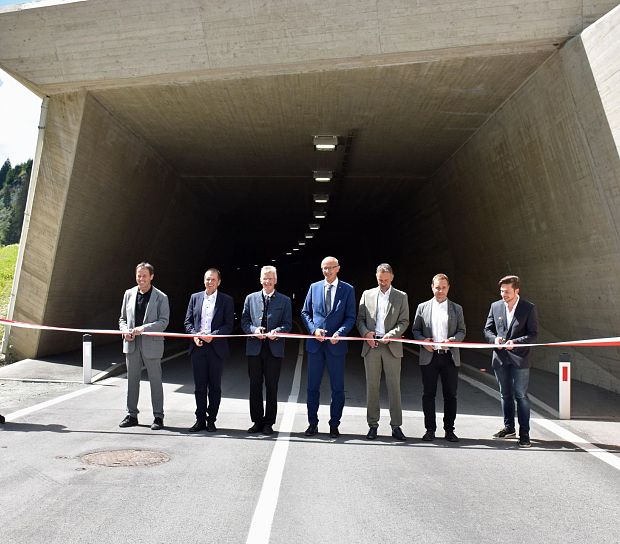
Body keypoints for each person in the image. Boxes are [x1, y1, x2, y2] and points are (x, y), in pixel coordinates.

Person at [301, 256, 356, 438]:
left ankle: (334, 424)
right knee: (312, 388)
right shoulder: (314, 287)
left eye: (331, 268)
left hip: (336, 346)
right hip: (315, 346)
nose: (327, 271)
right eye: (324, 268)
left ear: (338, 268)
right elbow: (305, 312)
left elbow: (350, 317)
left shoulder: (347, 290)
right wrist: (313, 330)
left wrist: (340, 332)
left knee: (337, 388)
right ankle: (312, 423)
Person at [484, 275, 538, 448]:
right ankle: (509, 428)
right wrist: (495, 340)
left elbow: (533, 334)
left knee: (520, 395)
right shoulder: (495, 306)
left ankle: (525, 434)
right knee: (504, 394)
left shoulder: (528, 308)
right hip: (500, 358)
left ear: (517, 290)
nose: (503, 295)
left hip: (520, 358)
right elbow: (487, 329)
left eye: (507, 292)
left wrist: (515, 343)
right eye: (501, 291)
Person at [357, 263, 409, 441]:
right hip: (372, 346)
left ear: (392, 278)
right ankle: (372, 425)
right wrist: (366, 333)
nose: (383, 283)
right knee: (372, 387)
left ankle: (396, 426)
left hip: (391, 346)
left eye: (386, 280)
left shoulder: (401, 296)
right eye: (380, 280)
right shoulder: (367, 294)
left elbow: (404, 322)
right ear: (376, 277)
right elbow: (360, 319)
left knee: (394, 388)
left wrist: (391, 335)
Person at [412, 273, 466, 442]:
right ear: (432, 287)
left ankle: (449, 430)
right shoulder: (422, 307)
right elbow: (416, 330)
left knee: (450, 395)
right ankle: (430, 430)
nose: (440, 291)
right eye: (437, 288)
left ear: (448, 288)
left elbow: (462, 331)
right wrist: (422, 342)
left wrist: (452, 341)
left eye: (443, 288)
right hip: (429, 356)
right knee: (428, 394)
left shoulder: (457, 309)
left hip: (449, 356)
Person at [241, 266, 292, 435]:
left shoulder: (284, 300)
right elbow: (244, 321)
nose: (267, 281)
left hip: (274, 349)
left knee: (272, 386)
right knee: (254, 386)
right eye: (265, 278)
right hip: (254, 349)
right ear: (260, 279)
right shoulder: (250, 298)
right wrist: (254, 330)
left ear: (275, 280)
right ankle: (256, 421)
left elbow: (288, 324)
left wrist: (276, 332)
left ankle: (269, 422)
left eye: (270, 278)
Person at [119, 262, 170, 430]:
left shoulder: (161, 297)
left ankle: (158, 417)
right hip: (132, 344)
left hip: (152, 345)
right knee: (132, 381)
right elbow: (122, 319)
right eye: (138, 276)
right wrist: (125, 331)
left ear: (151, 277)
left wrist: (143, 329)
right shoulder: (128, 294)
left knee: (155, 381)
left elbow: (163, 322)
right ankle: (131, 414)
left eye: (144, 276)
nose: (141, 279)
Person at [184, 268, 234, 433]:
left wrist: (213, 336)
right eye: (207, 279)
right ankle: (199, 420)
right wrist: (194, 335)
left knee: (214, 387)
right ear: (204, 280)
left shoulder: (226, 300)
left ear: (219, 282)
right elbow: (188, 322)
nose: (210, 282)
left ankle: (211, 419)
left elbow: (228, 325)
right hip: (198, 348)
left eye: (213, 279)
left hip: (216, 349)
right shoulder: (195, 298)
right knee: (199, 387)